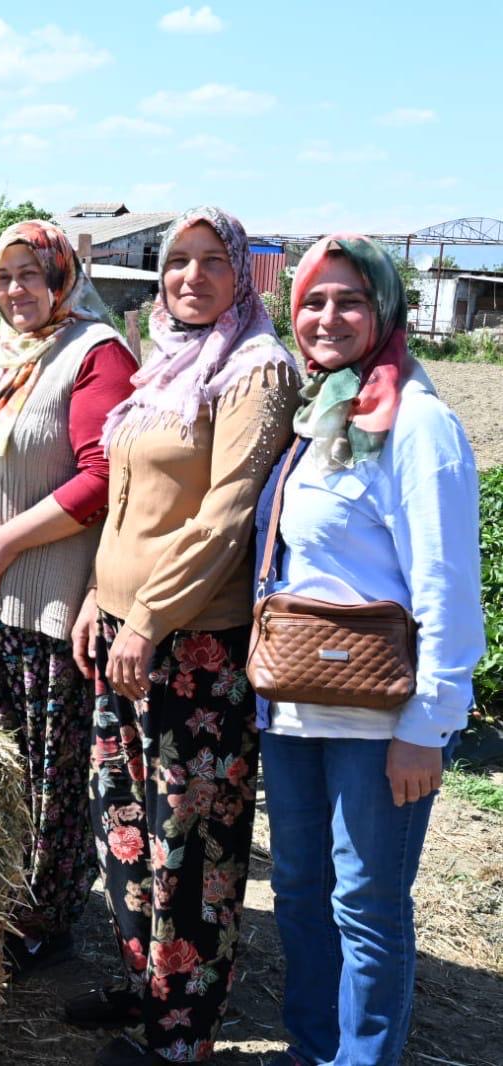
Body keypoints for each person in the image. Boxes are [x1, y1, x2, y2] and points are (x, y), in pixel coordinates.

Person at [69, 207, 300, 1066]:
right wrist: (98, 598)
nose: (189, 278)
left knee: (190, 848)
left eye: (211, 262)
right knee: (126, 827)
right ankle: (146, 989)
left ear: (241, 274)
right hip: (124, 630)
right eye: (176, 261)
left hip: (191, 644)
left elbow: (224, 518)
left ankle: (180, 1036)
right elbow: (127, 501)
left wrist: (147, 617)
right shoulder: (166, 364)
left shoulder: (255, 369)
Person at [255, 236, 483, 1066]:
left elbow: (446, 586)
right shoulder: (320, 413)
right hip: (293, 706)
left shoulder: (416, 424)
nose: (327, 317)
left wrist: (426, 725)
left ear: (383, 309)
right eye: (312, 300)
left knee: (365, 903)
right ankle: (312, 1048)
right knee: (297, 892)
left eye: (349, 300)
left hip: (381, 718)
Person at [0, 221, 138, 971]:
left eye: (31, 274)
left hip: (47, 603)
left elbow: (103, 476)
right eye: (4, 276)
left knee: (46, 777)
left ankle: (41, 918)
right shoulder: (8, 353)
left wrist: (8, 540)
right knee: (1, 771)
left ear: (62, 277)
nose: (15, 290)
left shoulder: (93, 353)